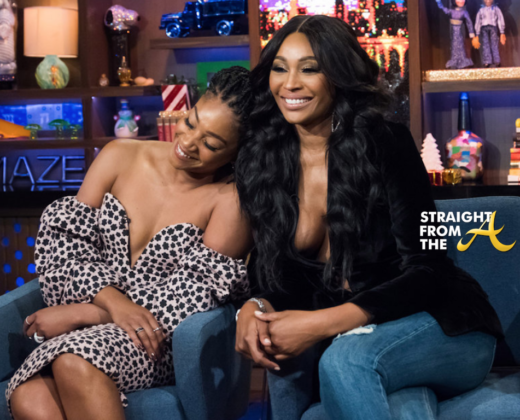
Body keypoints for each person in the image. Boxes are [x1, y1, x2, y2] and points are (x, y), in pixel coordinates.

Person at [235, 15, 502, 420]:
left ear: (339, 76)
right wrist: (254, 305)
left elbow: (430, 266)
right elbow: (277, 272)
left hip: (445, 326)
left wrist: (324, 324)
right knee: (399, 404)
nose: (290, 84)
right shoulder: (264, 160)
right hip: (367, 342)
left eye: (310, 69)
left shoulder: (388, 142)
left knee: (346, 360)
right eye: (279, 68)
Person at [7, 66, 253, 420]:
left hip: (157, 339)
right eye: (190, 122)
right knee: (29, 398)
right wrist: (113, 304)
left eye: (211, 144)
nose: (188, 143)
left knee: (74, 360)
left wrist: (87, 313)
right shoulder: (120, 155)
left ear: (236, 154)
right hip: (90, 326)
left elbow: (191, 298)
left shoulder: (230, 201)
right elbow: (66, 249)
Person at [436, 0, 475, 69]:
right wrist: (439, 2)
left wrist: (471, 32)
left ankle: (461, 61)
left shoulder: (464, 12)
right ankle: (455, 60)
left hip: (460, 31)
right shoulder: (451, 11)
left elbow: (469, 22)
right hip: (453, 32)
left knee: (460, 45)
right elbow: (443, 9)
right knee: (454, 46)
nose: (461, 1)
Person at [473, 0, 506, 68]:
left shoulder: (496, 9)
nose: (488, 1)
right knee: (485, 44)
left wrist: (502, 31)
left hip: (493, 27)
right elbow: (478, 21)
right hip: (484, 28)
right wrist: (477, 33)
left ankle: (496, 60)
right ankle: (487, 61)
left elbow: (500, 19)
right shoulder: (481, 10)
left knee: (494, 43)